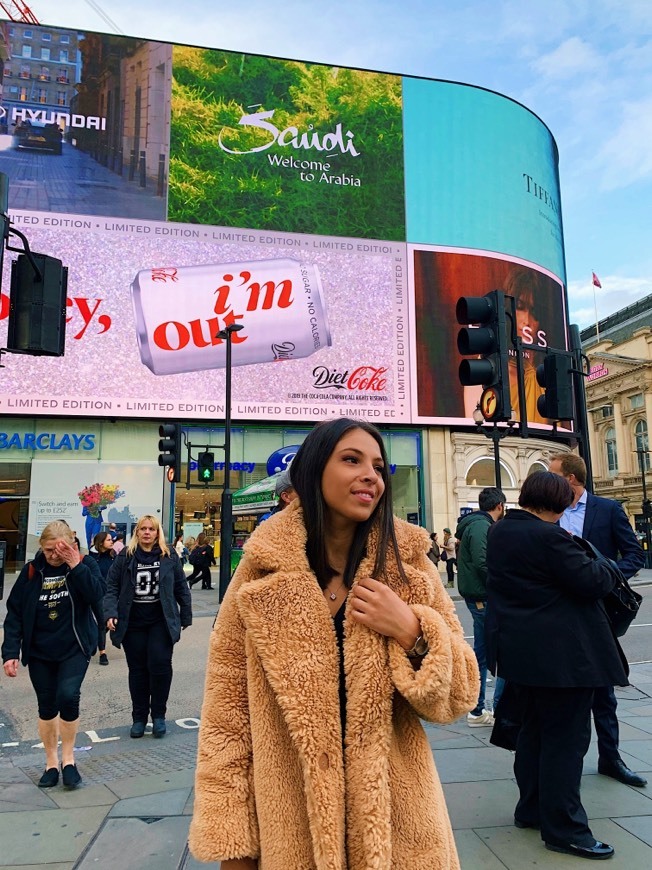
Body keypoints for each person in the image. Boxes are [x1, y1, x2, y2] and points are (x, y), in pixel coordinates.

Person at [189, 417, 479, 869]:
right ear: (312, 472)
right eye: (351, 460)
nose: (370, 475)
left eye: (379, 467)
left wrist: (412, 631)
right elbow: (227, 721)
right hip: (291, 830)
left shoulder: (408, 569)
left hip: (400, 830)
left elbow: (460, 695)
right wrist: (234, 845)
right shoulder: (260, 574)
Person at [486, 471, 628, 860]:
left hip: (522, 655)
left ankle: (530, 808)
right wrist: (603, 562)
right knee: (566, 742)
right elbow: (595, 581)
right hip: (563, 659)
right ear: (562, 502)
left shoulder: (502, 531)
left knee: (533, 735)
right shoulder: (549, 537)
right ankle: (565, 829)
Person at [549, 452, 647, 788]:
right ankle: (561, 765)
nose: (549, 480)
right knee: (560, 690)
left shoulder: (607, 510)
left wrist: (606, 576)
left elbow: (634, 554)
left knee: (603, 689)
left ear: (571, 479)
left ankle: (611, 757)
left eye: (554, 475)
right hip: (557, 612)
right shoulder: (550, 513)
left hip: (598, 610)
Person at [2, 521, 104, 790]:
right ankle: (50, 762)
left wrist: (76, 566)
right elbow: (14, 614)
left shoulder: (84, 565)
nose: (54, 556)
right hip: (40, 651)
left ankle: (68, 759)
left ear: (71, 545)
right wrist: (10, 652)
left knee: (68, 696)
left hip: (74, 647)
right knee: (47, 705)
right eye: (48, 550)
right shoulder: (32, 572)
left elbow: (98, 595)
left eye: (60, 550)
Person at [104, 514, 192, 739]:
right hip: (133, 622)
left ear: (157, 532)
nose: (146, 532)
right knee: (138, 669)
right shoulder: (126, 556)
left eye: (151, 529)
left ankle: (159, 715)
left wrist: (185, 616)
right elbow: (112, 585)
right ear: (137, 532)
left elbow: (181, 586)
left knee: (160, 665)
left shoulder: (169, 555)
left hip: (160, 620)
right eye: (142, 529)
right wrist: (111, 612)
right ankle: (139, 718)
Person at [456, 487, 506, 727]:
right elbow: (483, 561)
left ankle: (478, 709)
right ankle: (489, 710)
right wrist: (504, 582)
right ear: (500, 506)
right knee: (496, 652)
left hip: (479, 596)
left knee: (483, 652)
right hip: (483, 597)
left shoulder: (474, 524)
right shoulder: (480, 526)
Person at [90, 531, 114, 665]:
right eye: (109, 540)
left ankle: (95, 638)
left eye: (112, 540)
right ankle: (102, 653)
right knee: (101, 620)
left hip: (110, 594)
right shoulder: (91, 558)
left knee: (107, 622)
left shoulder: (112, 557)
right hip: (96, 594)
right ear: (101, 542)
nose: (111, 542)